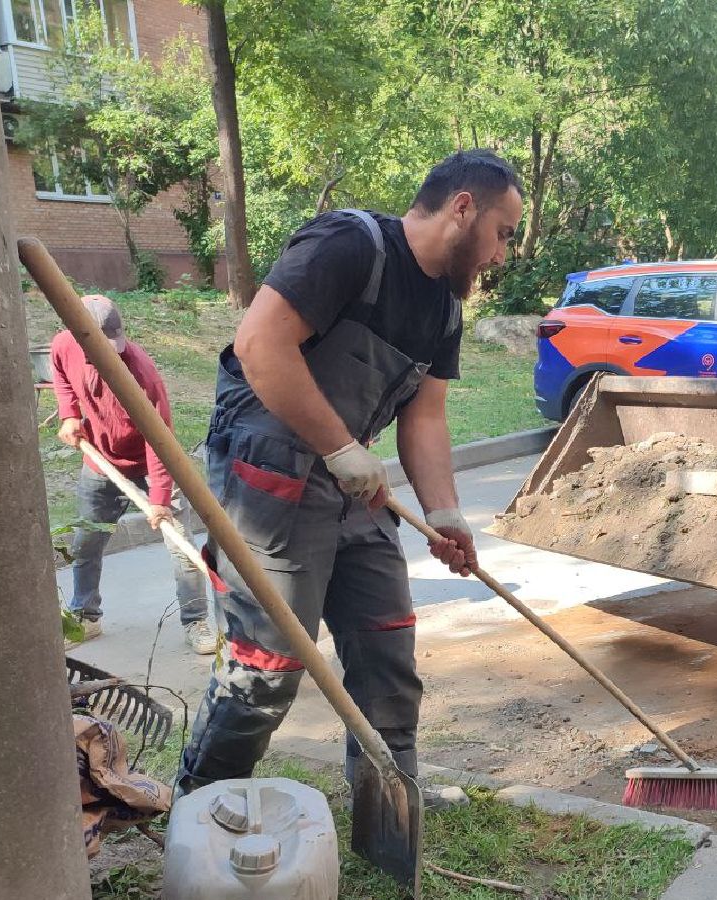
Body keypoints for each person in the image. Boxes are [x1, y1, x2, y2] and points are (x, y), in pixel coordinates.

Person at [175, 149, 524, 800]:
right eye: (503, 233)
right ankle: (198, 817)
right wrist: (339, 447)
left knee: (386, 653)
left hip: (352, 479)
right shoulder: (350, 244)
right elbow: (260, 345)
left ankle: (390, 819)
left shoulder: (444, 309)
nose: (501, 254)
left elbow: (425, 418)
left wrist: (446, 516)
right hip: (271, 467)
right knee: (270, 665)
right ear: (463, 208)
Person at [53, 294, 216, 654]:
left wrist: (159, 500)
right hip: (100, 464)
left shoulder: (141, 375)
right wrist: (68, 414)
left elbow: (160, 442)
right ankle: (85, 616)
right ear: (79, 336)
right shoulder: (64, 344)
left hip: (152, 465)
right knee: (86, 542)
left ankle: (196, 621)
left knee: (181, 549)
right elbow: (62, 378)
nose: (112, 352)